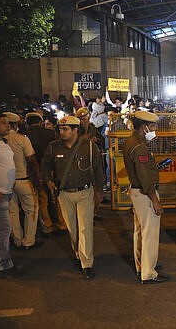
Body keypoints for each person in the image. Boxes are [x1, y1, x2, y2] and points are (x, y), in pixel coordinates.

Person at [40, 116, 104, 280]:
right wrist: (48, 182)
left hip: (85, 193)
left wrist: (99, 191)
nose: (62, 132)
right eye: (60, 129)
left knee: (85, 229)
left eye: (66, 129)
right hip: (64, 194)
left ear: (76, 130)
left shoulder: (89, 147)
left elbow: (98, 169)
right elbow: (45, 166)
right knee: (72, 229)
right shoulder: (54, 147)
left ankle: (87, 263)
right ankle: (78, 254)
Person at [123, 111, 169, 284]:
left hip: (137, 192)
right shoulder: (140, 146)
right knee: (149, 234)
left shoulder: (131, 141)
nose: (155, 129)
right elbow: (143, 176)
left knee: (140, 232)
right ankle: (149, 273)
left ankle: (142, 266)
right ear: (144, 127)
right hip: (144, 193)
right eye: (153, 126)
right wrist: (155, 200)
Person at [4, 112, 42, 250]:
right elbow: (32, 160)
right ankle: (29, 241)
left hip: (6, 183)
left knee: (12, 212)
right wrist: (38, 179)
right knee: (31, 210)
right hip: (23, 180)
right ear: (15, 124)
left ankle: (17, 240)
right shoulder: (21, 139)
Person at [25, 112, 66, 236]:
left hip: (35, 170)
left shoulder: (25, 136)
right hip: (53, 168)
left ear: (27, 123)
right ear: (40, 122)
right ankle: (62, 224)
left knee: (42, 198)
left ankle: (47, 226)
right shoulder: (50, 133)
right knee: (57, 196)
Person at [0, 112, 20, 278]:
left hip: (6, 193)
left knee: (2, 229)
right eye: (3, 123)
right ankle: (4, 266)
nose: (7, 125)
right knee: (3, 229)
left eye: (8, 123)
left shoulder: (4, 143)